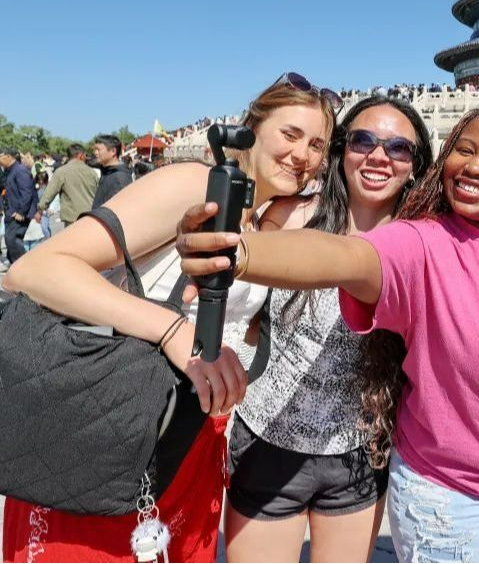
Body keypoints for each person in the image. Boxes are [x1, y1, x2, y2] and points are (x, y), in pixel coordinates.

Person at [178, 107, 479, 563]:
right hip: (453, 493)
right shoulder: (421, 241)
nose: (475, 166)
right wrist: (238, 253)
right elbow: (344, 257)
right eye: (465, 150)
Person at [1, 73, 338, 563]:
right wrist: (172, 329)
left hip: (187, 438)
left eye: (317, 144)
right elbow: (35, 269)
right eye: (290, 134)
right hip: (114, 425)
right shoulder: (194, 184)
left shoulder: (264, 217)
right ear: (252, 128)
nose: (302, 154)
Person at [224, 96, 433, 563]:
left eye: (398, 148)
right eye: (363, 141)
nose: (379, 156)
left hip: (358, 452)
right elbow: (242, 310)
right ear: (342, 150)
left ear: (415, 165)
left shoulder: (421, 241)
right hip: (269, 440)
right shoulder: (290, 215)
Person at [35, 143, 97, 228]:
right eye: (85, 155)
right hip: (91, 218)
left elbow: (49, 194)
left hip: (72, 219)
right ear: (81, 155)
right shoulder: (92, 172)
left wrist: (40, 211)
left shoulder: (61, 172)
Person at [0, 148, 39, 264]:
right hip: (10, 212)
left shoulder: (20, 170)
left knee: (11, 238)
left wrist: (21, 212)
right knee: (10, 240)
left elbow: (27, 193)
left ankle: (24, 265)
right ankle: (16, 265)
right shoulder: (8, 171)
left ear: (8, 156)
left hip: (20, 213)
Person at [91, 134, 134, 208]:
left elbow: (120, 209)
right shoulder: (108, 172)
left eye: (98, 150)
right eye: (95, 150)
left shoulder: (120, 177)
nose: (95, 153)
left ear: (113, 151)